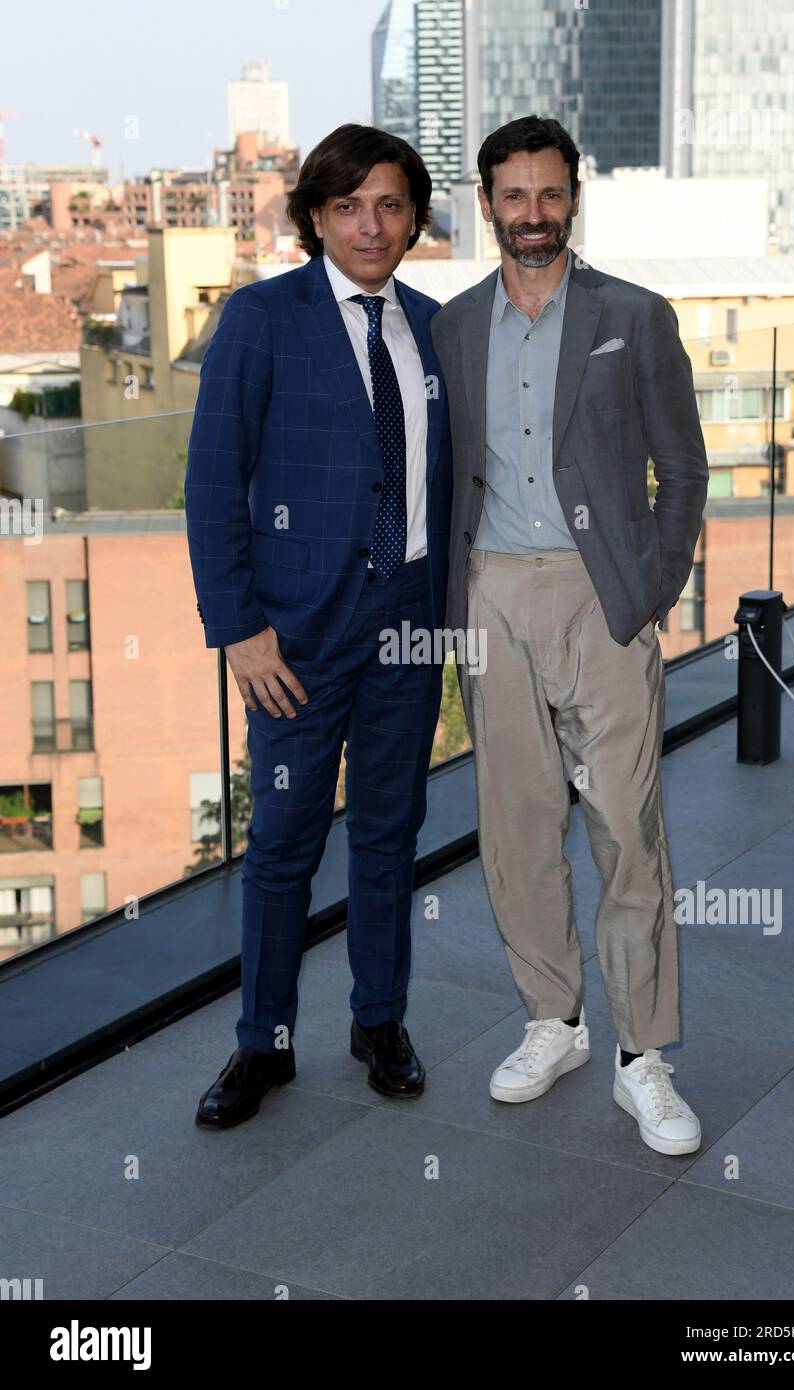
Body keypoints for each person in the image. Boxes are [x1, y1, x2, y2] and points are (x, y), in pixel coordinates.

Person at [430, 115, 708, 1156]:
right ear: (488, 202)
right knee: (514, 823)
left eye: (549, 194)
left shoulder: (633, 316)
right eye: (514, 196)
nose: (532, 214)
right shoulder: (453, 326)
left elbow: (681, 471)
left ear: (572, 197)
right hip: (490, 591)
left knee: (626, 826)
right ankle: (554, 1022)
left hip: (603, 595)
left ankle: (644, 1057)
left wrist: (647, 588)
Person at [185, 124, 452, 1127]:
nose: (369, 224)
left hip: (410, 621)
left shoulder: (432, 327)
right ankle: (264, 1044)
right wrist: (238, 628)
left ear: (413, 218)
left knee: (389, 833)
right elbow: (210, 485)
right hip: (293, 638)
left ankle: (378, 1021)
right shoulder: (260, 320)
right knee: (284, 843)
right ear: (314, 218)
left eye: (388, 205)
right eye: (347, 206)